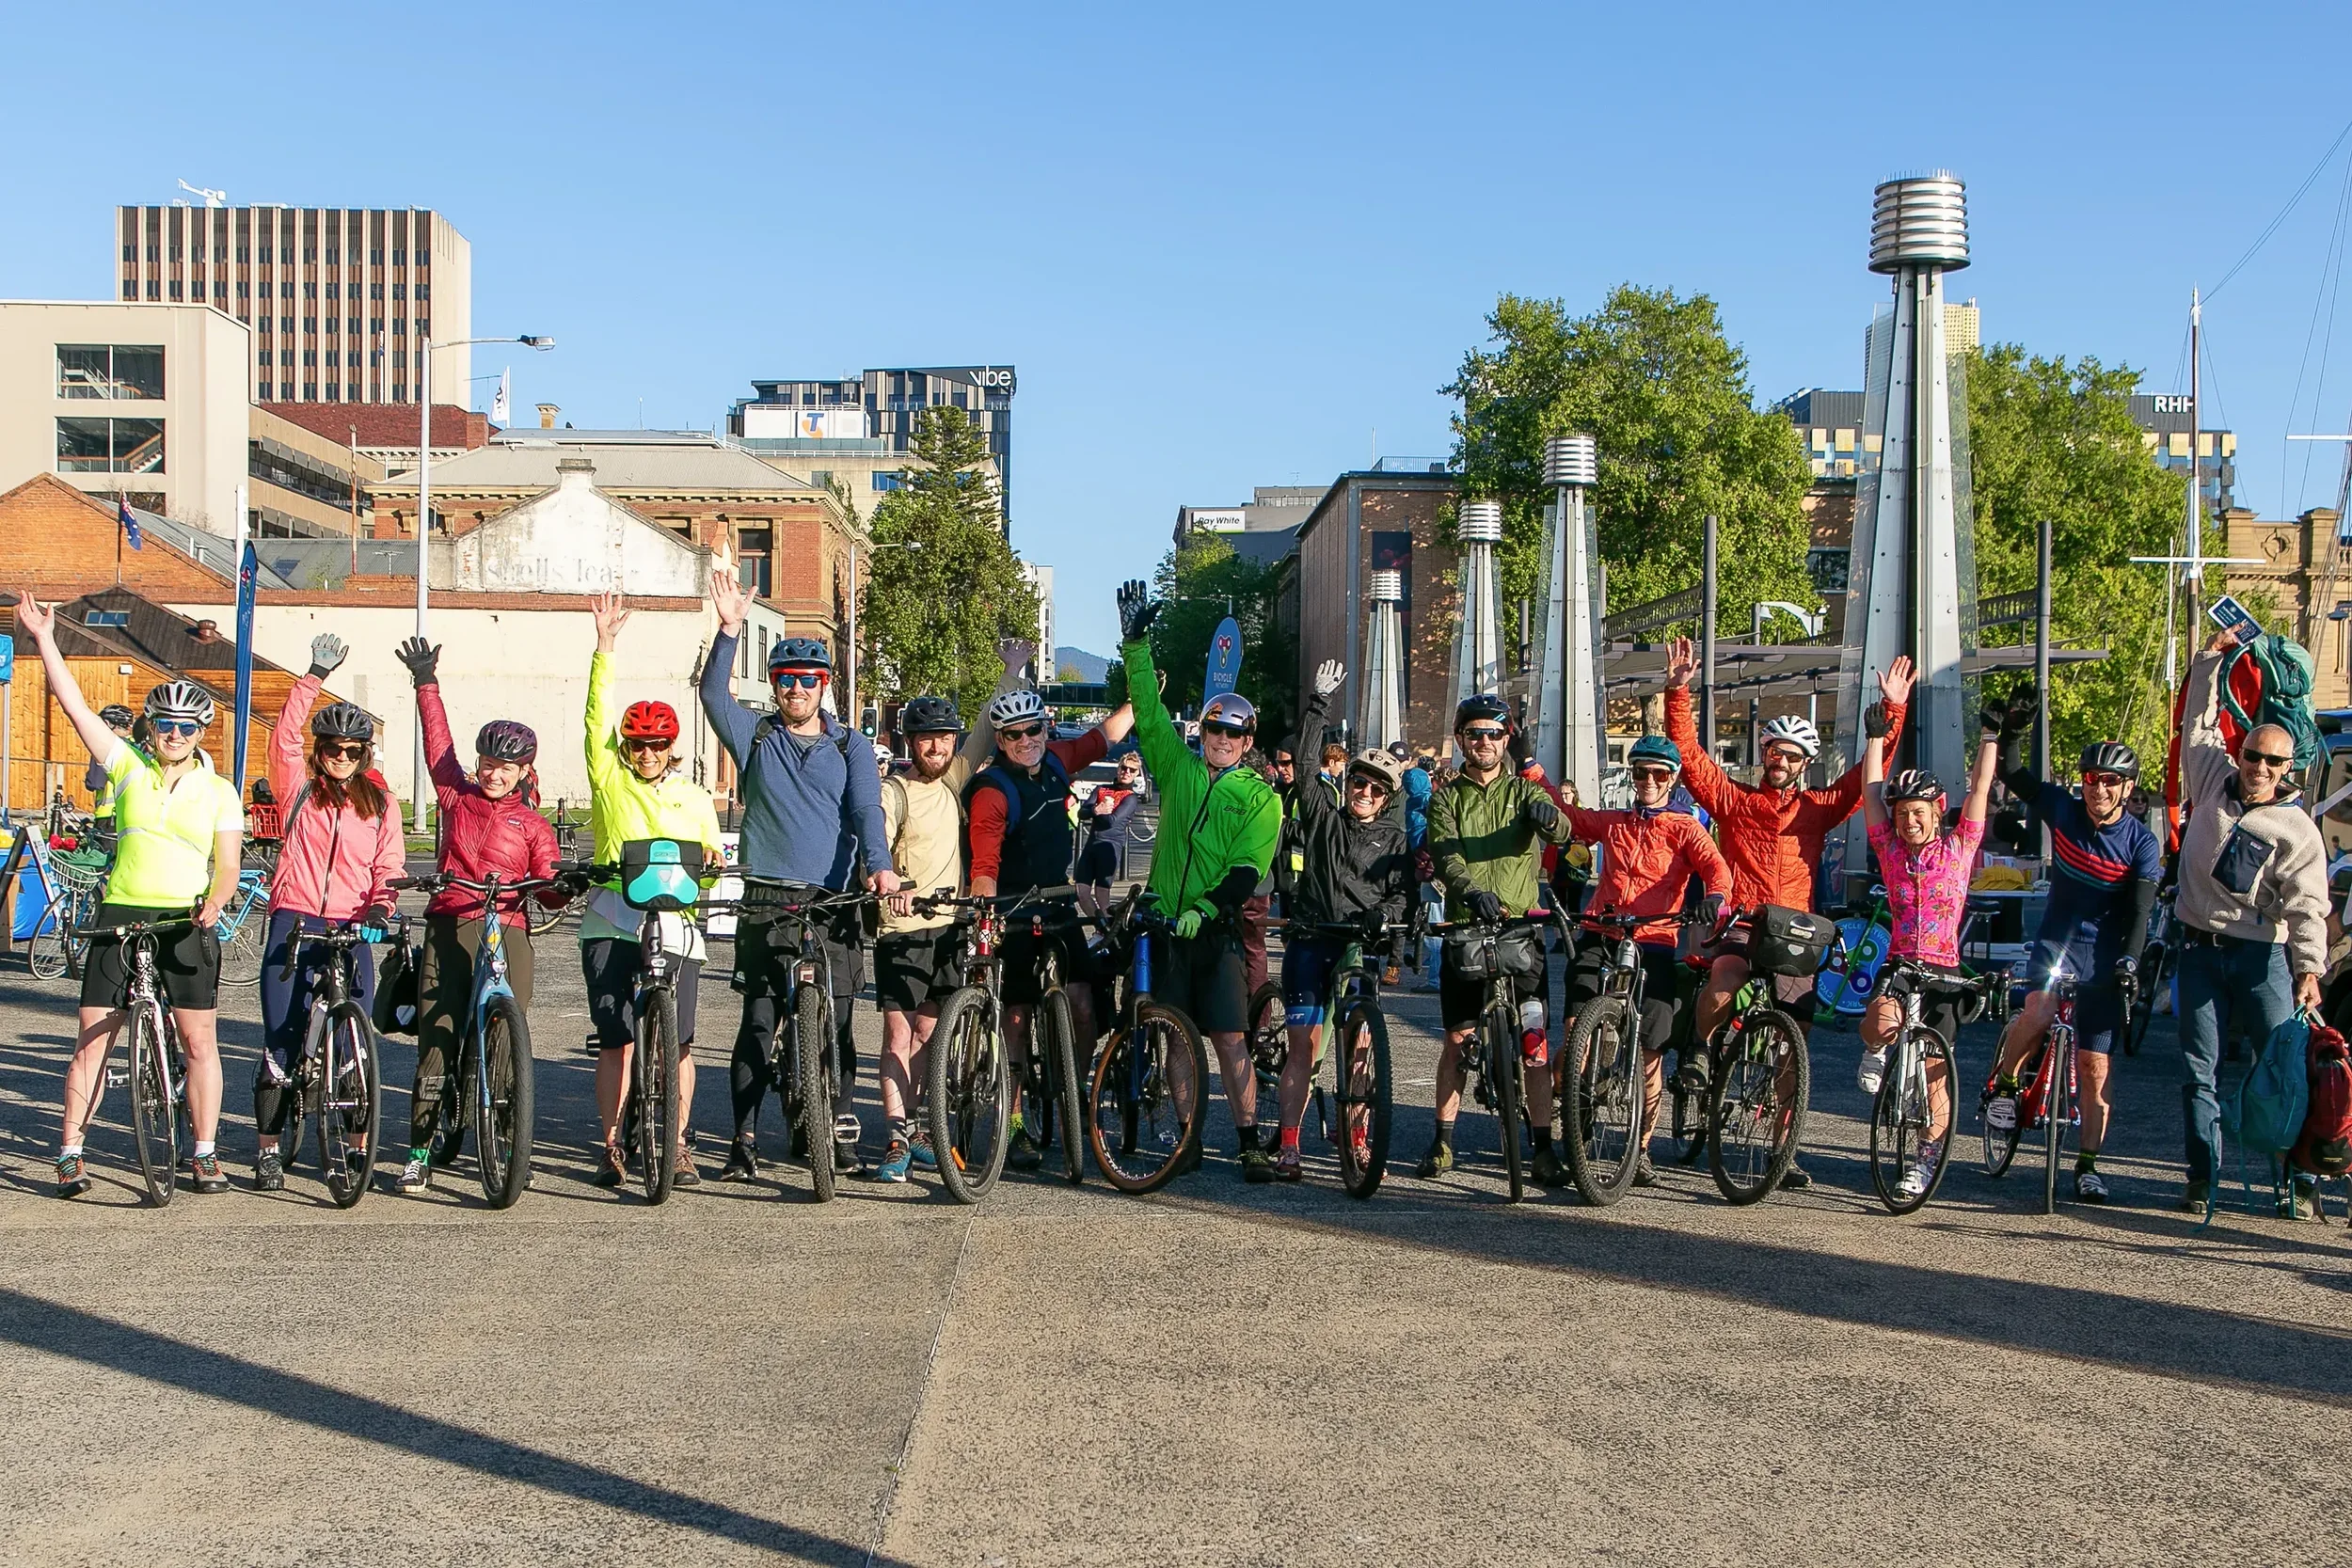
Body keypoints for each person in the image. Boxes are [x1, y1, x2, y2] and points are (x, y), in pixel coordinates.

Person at [1664, 637, 1914, 1191]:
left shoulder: (1819, 808)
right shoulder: (1734, 801)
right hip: (1745, 919)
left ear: (1805, 765)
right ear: (1766, 755)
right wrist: (1678, 690)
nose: (1781, 761)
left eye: (1792, 756)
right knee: (1725, 983)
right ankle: (1704, 1053)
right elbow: (1689, 754)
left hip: (1796, 931)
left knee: (1792, 1047)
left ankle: (1784, 1149)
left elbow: (1866, 778)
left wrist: (1891, 714)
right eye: (1775, 751)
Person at [17, 593, 244, 1199]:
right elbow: (75, 707)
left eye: (185, 727)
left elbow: (227, 865)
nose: (172, 735)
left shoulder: (221, 791)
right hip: (120, 914)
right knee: (94, 1039)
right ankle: (70, 1152)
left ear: (201, 731)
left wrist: (214, 906)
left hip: (187, 919)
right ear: (151, 727)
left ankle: (203, 1153)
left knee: (199, 1040)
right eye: (164, 725)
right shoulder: (126, 765)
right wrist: (44, 639)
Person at [703, 570, 901, 1181]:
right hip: (768, 896)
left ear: (823, 687)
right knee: (759, 1021)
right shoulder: (757, 735)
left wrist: (878, 865)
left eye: (807, 681)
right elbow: (713, 696)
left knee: (839, 1024)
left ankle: (838, 1133)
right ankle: (744, 1139)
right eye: (786, 680)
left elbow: (867, 809)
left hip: (835, 899)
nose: (796, 690)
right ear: (776, 685)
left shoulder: (851, 747)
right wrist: (730, 630)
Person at [1114, 580, 1282, 1176]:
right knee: (1176, 1038)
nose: (1223, 740)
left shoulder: (1261, 799)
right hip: (1165, 922)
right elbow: (1150, 711)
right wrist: (1136, 641)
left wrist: (1205, 910)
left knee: (1230, 1039)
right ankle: (1187, 1140)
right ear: (1204, 732)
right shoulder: (1179, 769)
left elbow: (1245, 872)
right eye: (1215, 730)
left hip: (1215, 932)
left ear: (1248, 741)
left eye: (1235, 734)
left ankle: (1249, 1139)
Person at [395, 633, 568, 1194]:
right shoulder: (456, 796)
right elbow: (437, 745)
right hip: (452, 921)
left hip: (509, 925)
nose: (493, 773)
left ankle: (510, 1136)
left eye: (506, 767)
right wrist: (426, 682)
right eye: (488, 763)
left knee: (509, 1033)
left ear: (525, 772)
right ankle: (420, 1147)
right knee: (438, 1038)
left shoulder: (535, 825)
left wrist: (559, 886)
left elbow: (548, 880)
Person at [2169, 628, 2330, 1216]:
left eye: (2273, 762)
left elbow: (2310, 905)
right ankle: (2200, 1178)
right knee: (2197, 1069)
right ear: (2240, 754)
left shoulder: (2297, 829)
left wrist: (2310, 967)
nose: (2260, 768)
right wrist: (2211, 659)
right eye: (2253, 756)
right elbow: (2197, 724)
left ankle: (2297, 1181)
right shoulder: (2211, 777)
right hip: (2199, 948)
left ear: (2289, 768)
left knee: (2282, 1073)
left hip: (2262, 956)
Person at [577, 594, 725, 1190]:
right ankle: (612, 1144)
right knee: (616, 1040)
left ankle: (680, 1143)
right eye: (636, 745)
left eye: (656, 745)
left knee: (681, 1044)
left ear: (672, 748)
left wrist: (713, 865)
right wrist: (604, 649)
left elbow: (709, 867)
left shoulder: (692, 797)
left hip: (676, 926)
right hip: (613, 919)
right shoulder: (609, 780)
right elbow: (595, 720)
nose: (645, 754)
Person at [1981, 719, 2162, 1206]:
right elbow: (2017, 775)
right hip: (2056, 942)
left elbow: (2142, 911)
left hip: (2103, 955)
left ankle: (2088, 1166)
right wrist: (2012, 735)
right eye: (2090, 779)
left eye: (2108, 781)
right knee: (2038, 1013)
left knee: (2094, 1066)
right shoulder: (2064, 809)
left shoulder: (2141, 843)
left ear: (2127, 788)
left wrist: (2129, 961)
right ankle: (2006, 1084)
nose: (2097, 788)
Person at [867, 639, 1025, 1183]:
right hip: (902, 929)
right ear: (910, 742)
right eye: (927, 739)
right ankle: (896, 1132)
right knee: (898, 1036)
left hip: (949, 928)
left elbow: (987, 727)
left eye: (943, 738)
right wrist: (887, 878)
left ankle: (927, 1129)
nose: (936, 747)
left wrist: (1013, 672)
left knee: (934, 1036)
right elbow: (878, 839)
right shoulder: (895, 791)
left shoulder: (956, 778)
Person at [254, 633, 404, 1195]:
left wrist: (383, 904)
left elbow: (388, 862)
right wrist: (312, 675)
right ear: (320, 752)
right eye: (333, 749)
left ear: (365, 756)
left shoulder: (381, 801)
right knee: (281, 1039)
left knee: (356, 1048)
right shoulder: (299, 788)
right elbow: (283, 737)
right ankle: (268, 1148)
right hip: (295, 919)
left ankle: (354, 1147)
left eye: (353, 751)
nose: (342, 758)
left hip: (352, 923)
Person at [967, 676, 1136, 1169]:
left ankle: (1074, 1090)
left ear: (1046, 727)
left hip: (1059, 903)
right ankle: (1015, 1120)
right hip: (1012, 910)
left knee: (1084, 1004)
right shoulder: (992, 791)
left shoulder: (1058, 761)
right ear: (1000, 741)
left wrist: (1144, 694)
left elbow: (1105, 736)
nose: (1027, 741)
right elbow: (983, 864)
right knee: (1016, 1020)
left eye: (1034, 729)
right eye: (1015, 735)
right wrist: (984, 916)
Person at [1552, 734, 1733, 1186]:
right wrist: (1535, 773)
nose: (1648, 781)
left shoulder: (1686, 826)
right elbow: (1574, 819)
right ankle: (1575, 1108)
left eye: (1658, 774)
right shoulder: (1615, 821)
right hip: (1604, 928)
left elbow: (1716, 868)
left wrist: (1715, 896)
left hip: (1655, 936)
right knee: (1577, 1028)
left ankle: (1642, 1147)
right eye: (1640, 773)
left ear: (1672, 779)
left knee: (1651, 1050)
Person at [1421, 692, 1575, 1181]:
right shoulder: (1447, 796)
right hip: (1467, 929)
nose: (1484, 742)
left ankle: (1544, 1148)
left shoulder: (1524, 792)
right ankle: (1443, 1141)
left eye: (1493, 733)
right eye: (1474, 734)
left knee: (1534, 1044)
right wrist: (1469, 890)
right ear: (1461, 740)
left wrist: (1554, 820)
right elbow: (1445, 853)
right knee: (1456, 1041)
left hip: (1520, 931)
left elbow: (1563, 831)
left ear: (1507, 739)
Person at [1857, 702, 2002, 1200]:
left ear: (1937, 814)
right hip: (1902, 961)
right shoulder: (1889, 850)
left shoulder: (1959, 849)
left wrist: (1990, 735)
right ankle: (1878, 1053)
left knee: (1937, 1078)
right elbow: (1871, 794)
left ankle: (1922, 1163)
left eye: (1917, 813)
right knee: (1878, 1020)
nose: (1908, 821)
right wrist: (1875, 738)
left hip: (1943, 967)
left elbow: (1980, 789)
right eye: (1902, 814)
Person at [1275, 661, 1413, 1181]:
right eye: (1359, 783)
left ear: (1388, 798)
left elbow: (1404, 897)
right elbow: (1306, 764)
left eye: (1377, 790)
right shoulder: (1323, 818)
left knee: (1359, 1053)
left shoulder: (1396, 841)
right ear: (1348, 783)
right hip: (1312, 939)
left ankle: (1356, 1134)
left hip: (1360, 944)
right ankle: (1289, 1146)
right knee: (1303, 1054)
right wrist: (1318, 703)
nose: (1366, 794)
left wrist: (1386, 919)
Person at [1076, 749, 1148, 916]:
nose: (1126, 772)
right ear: (1118, 768)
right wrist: (1096, 809)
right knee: (1081, 893)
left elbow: (1112, 822)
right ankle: (1100, 926)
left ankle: (1108, 930)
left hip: (1109, 847)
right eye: (1124, 768)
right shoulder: (1101, 789)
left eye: (1132, 770)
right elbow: (1082, 813)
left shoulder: (1130, 797)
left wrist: (1096, 812)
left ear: (1136, 773)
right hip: (1091, 846)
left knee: (1102, 896)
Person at [83, 703, 137, 852]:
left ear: (106, 724)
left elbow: (95, 783)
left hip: (108, 816)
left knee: (105, 865)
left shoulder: (105, 750)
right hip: (132, 815)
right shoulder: (136, 747)